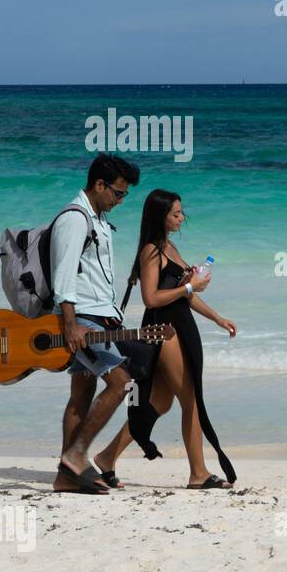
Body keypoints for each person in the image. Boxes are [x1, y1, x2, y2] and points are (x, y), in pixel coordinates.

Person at [94, 189, 238, 489]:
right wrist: (187, 288)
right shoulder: (151, 251)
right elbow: (151, 298)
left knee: (159, 402)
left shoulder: (170, 247)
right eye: (175, 213)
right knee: (191, 401)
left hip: (180, 325)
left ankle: (107, 457)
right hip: (164, 330)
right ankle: (198, 473)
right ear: (160, 216)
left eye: (181, 212)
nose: (181, 217)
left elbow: (187, 296)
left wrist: (217, 317)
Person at [52, 153, 140, 495]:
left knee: (81, 394)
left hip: (98, 316)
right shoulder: (75, 219)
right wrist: (71, 324)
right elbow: (64, 275)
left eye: (125, 195)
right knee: (120, 383)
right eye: (118, 193)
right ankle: (75, 457)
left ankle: (66, 476)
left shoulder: (98, 218)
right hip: (83, 319)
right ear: (99, 185)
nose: (120, 200)